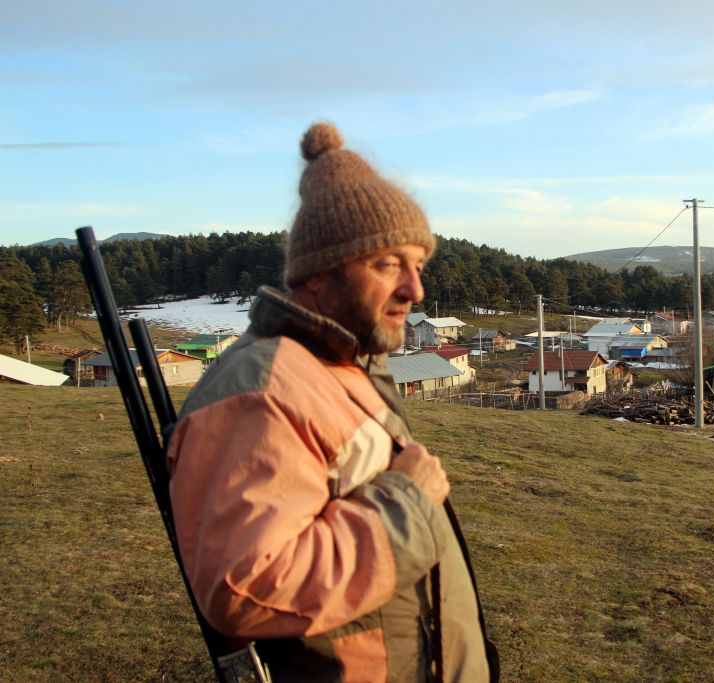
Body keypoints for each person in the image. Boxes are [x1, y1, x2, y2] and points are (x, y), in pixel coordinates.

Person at [166, 122, 493, 682]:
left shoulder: (339, 364)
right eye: (388, 263)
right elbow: (247, 587)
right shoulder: (264, 392)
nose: (415, 289)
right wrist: (409, 502)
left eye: (419, 265)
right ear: (319, 275)